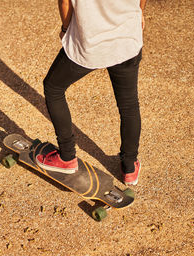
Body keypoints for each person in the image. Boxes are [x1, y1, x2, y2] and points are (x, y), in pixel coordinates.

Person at [36, 0, 147, 185]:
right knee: (128, 104)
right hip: (127, 39)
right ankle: (129, 167)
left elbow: (65, 2)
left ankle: (66, 157)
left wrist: (65, 29)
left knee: (53, 88)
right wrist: (139, 13)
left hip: (91, 43)